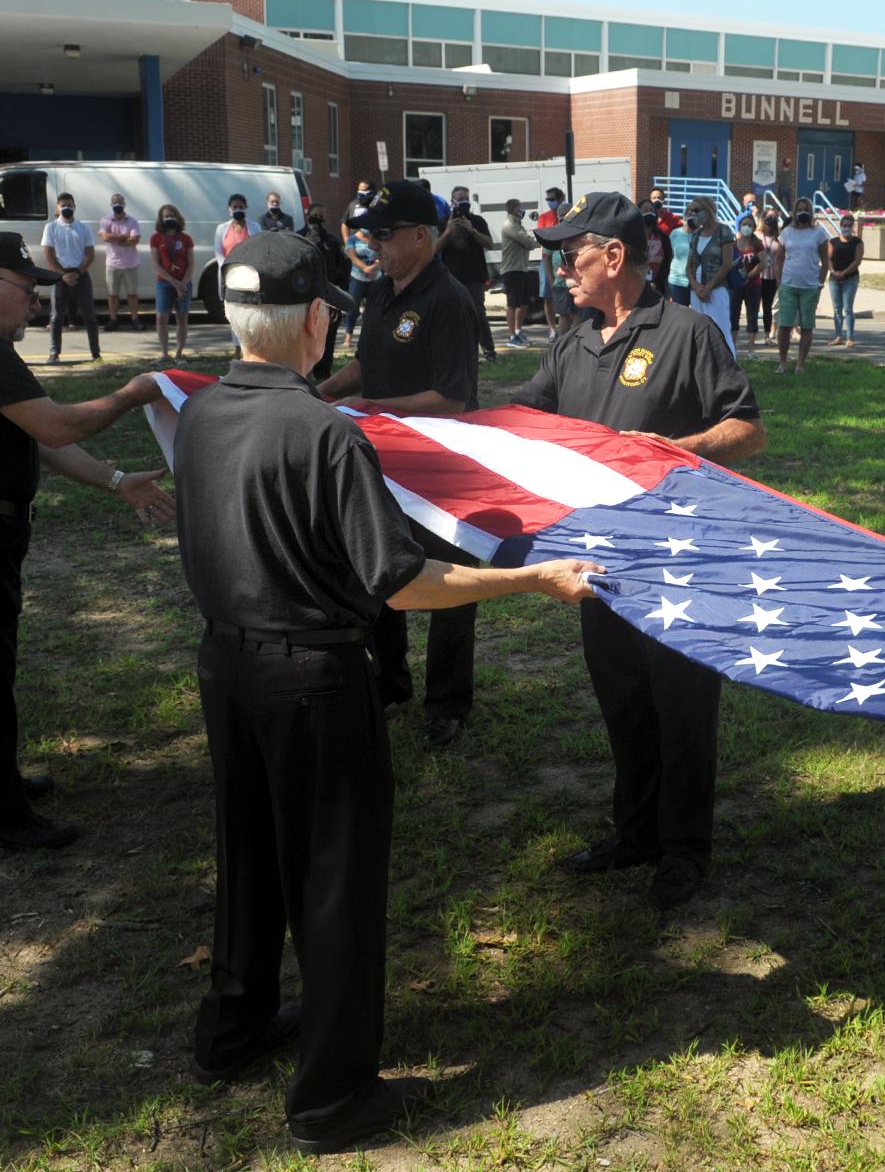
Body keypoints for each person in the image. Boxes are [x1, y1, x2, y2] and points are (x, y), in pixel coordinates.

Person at [174, 229, 598, 1156]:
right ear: (319, 322)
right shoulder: (325, 432)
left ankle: (233, 1029)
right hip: (312, 679)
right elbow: (401, 584)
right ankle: (333, 1100)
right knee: (333, 882)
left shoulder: (203, 412)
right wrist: (535, 580)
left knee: (244, 854)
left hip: (226, 665)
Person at [513, 191, 765, 910]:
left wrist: (673, 451)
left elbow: (747, 428)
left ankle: (684, 849)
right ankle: (636, 833)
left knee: (681, 709)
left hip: (681, 564)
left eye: (573, 254)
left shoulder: (687, 332)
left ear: (614, 256)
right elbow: (524, 414)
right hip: (601, 562)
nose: (564, 268)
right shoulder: (572, 340)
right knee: (622, 701)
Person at [0, 232, 172, 849]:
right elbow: (55, 422)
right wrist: (135, 392)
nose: (35, 306)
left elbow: (36, 440)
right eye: (27, 291)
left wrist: (118, 480)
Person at [316, 180, 482, 748]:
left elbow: (452, 397)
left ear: (420, 236)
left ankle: (448, 703)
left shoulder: (449, 300)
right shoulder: (385, 292)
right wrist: (323, 393)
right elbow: (366, 364)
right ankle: (390, 681)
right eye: (372, 235)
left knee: (451, 589)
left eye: (385, 236)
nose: (375, 245)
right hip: (383, 464)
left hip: (443, 472)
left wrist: (371, 411)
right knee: (379, 571)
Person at [438, 186, 500, 362]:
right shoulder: (443, 223)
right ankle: (456, 353)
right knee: (451, 315)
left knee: (478, 314)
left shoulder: (477, 221)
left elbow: (490, 244)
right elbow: (434, 249)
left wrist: (472, 230)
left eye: (466, 198)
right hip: (451, 277)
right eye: (460, 199)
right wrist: (449, 232)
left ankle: (489, 351)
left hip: (474, 277)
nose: (464, 201)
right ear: (452, 202)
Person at [42, 192, 101, 366]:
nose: (66, 208)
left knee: (90, 315)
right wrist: (63, 274)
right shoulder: (51, 227)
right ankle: (54, 352)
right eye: (63, 205)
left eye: (69, 205)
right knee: (56, 317)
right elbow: (48, 253)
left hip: (80, 275)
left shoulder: (83, 228)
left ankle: (96, 353)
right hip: (60, 275)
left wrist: (78, 273)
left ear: (74, 207)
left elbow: (90, 255)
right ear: (57, 208)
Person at [774, 197, 829, 375]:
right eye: (800, 209)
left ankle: (800, 364)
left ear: (811, 212)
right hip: (788, 284)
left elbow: (825, 261)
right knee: (784, 325)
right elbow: (779, 259)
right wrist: (779, 280)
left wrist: (820, 282)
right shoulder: (787, 233)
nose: (802, 212)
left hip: (810, 286)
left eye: (806, 209)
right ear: (794, 212)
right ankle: (782, 362)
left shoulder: (819, 233)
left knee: (806, 326)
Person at [298, 205, 351, 377]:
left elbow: (344, 265)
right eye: (315, 216)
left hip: (328, 296)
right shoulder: (297, 239)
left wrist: (342, 287)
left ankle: (323, 372)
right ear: (308, 216)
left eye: (321, 217)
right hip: (304, 296)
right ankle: (302, 371)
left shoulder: (331, 241)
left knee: (327, 335)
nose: (318, 220)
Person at [684, 194, 736, 355]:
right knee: (699, 332)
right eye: (690, 211)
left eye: (696, 210)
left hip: (716, 290)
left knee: (721, 330)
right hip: (696, 292)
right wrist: (696, 286)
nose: (692, 214)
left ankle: (729, 367)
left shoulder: (723, 231)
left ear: (708, 210)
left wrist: (708, 287)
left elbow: (727, 263)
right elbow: (689, 266)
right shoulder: (695, 235)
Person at [215, 193, 262, 356]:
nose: (238, 209)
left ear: (246, 208)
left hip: (249, 276)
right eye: (235, 207)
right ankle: (237, 349)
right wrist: (228, 268)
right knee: (233, 313)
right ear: (229, 209)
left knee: (250, 312)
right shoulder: (221, 229)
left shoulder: (254, 227)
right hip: (229, 277)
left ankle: (250, 349)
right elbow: (219, 253)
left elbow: (258, 248)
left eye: (241, 207)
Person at [150, 204, 196, 361]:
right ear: (161, 219)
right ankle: (164, 354)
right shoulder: (156, 238)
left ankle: (179, 353)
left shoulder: (186, 239)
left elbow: (191, 264)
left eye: (172, 215)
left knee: (182, 317)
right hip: (164, 283)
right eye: (166, 216)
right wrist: (174, 282)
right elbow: (156, 265)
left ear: (178, 217)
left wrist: (183, 283)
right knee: (161, 317)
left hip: (184, 282)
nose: (169, 219)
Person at [98, 192, 143, 333]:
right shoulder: (106, 220)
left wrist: (115, 239)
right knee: (113, 295)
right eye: (115, 202)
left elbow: (134, 240)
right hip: (112, 264)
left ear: (124, 203)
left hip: (131, 264)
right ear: (111, 204)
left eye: (120, 202)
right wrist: (124, 237)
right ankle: (113, 320)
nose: (117, 205)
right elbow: (105, 237)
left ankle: (135, 319)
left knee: (132, 294)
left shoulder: (133, 221)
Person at [498, 197, 537, 348]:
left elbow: (528, 242)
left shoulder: (518, 224)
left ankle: (518, 331)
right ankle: (512, 336)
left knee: (524, 303)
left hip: (521, 268)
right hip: (511, 269)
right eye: (520, 207)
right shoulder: (510, 225)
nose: (522, 209)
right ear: (514, 209)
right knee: (513, 303)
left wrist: (531, 243)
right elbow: (528, 242)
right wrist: (533, 242)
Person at [827, 212, 864, 348]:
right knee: (837, 309)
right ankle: (838, 336)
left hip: (850, 278)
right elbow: (828, 259)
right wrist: (833, 271)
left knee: (848, 308)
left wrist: (844, 272)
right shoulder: (833, 242)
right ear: (840, 226)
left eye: (849, 225)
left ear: (852, 227)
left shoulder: (857, 242)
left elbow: (857, 260)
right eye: (844, 225)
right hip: (834, 279)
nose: (846, 228)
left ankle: (850, 337)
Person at [731, 217, 764, 352]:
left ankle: (751, 343)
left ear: (754, 227)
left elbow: (762, 263)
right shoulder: (734, 244)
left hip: (753, 285)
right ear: (739, 226)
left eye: (749, 225)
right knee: (733, 314)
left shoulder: (757, 244)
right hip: (736, 285)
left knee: (752, 315)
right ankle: (732, 342)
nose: (746, 227)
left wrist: (748, 277)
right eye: (744, 224)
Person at [343, 226, 379, 346]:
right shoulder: (352, 239)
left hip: (375, 276)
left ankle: (371, 337)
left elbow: (382, 253)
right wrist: (365, 268)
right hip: (357, 277)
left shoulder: (376, 237)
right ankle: (348, 337)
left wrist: (374, 268)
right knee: (353, 307)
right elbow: (352, 257)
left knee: (373, 308)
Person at [538, 187, 566, 340]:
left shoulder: (568, 214)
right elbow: (544, 239)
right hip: (548, 259)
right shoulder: (544, 217)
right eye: (548, 199)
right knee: (547, 295)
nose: (550, 202)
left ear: (561, 198)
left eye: (553, 199)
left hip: (564, 262)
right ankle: (552, 329)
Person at [756, 214, 782, 338]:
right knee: (754, 307)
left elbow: (778, 261)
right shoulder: (757, 236)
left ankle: (767, 335)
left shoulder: (777, 239)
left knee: (768, 308)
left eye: (772, 221)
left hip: (771, 278)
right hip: (758, 276)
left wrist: (778, 279)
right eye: (767, 221)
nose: (769, 224)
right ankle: (753, 335)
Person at [340, 180, 376, 245]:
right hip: (354, 245)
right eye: (359, 190)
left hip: (371, 245)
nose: (360, 193)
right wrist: (347, 241)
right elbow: (344, 223)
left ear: (371, 192)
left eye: (363, 191)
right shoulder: (353, 203)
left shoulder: (377, 204)